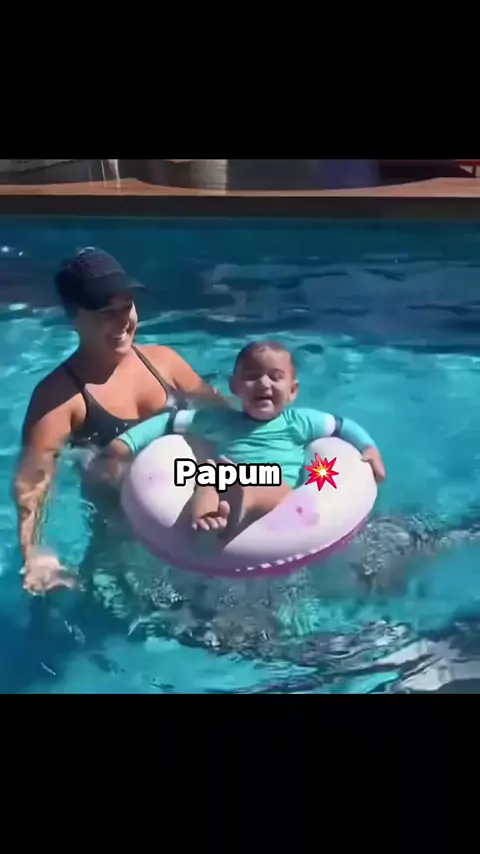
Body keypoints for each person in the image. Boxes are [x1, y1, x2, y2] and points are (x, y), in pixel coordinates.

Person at [14, 247, 224, 596]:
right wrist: (35, 554)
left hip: (195, 517)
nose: (122, 322)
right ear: (73, 316)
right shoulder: (59, 398)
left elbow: (224, 418)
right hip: (125, 542)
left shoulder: (164, 363)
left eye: (127, 307)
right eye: (105, 313)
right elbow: (32, 483)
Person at [111, 340, 386, 539]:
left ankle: (244, 499)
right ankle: (206, 518)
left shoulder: (299, 421)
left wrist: (369, 448)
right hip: (228, 476)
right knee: (209, 478)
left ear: (293, 391)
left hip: (272, 484)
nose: (264, 384)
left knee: (275, 487)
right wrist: (127, 442)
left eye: (275, 378)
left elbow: (342, 426)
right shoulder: (219, 419)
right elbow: (168, 421)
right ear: (235, 387)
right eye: (253, 377)